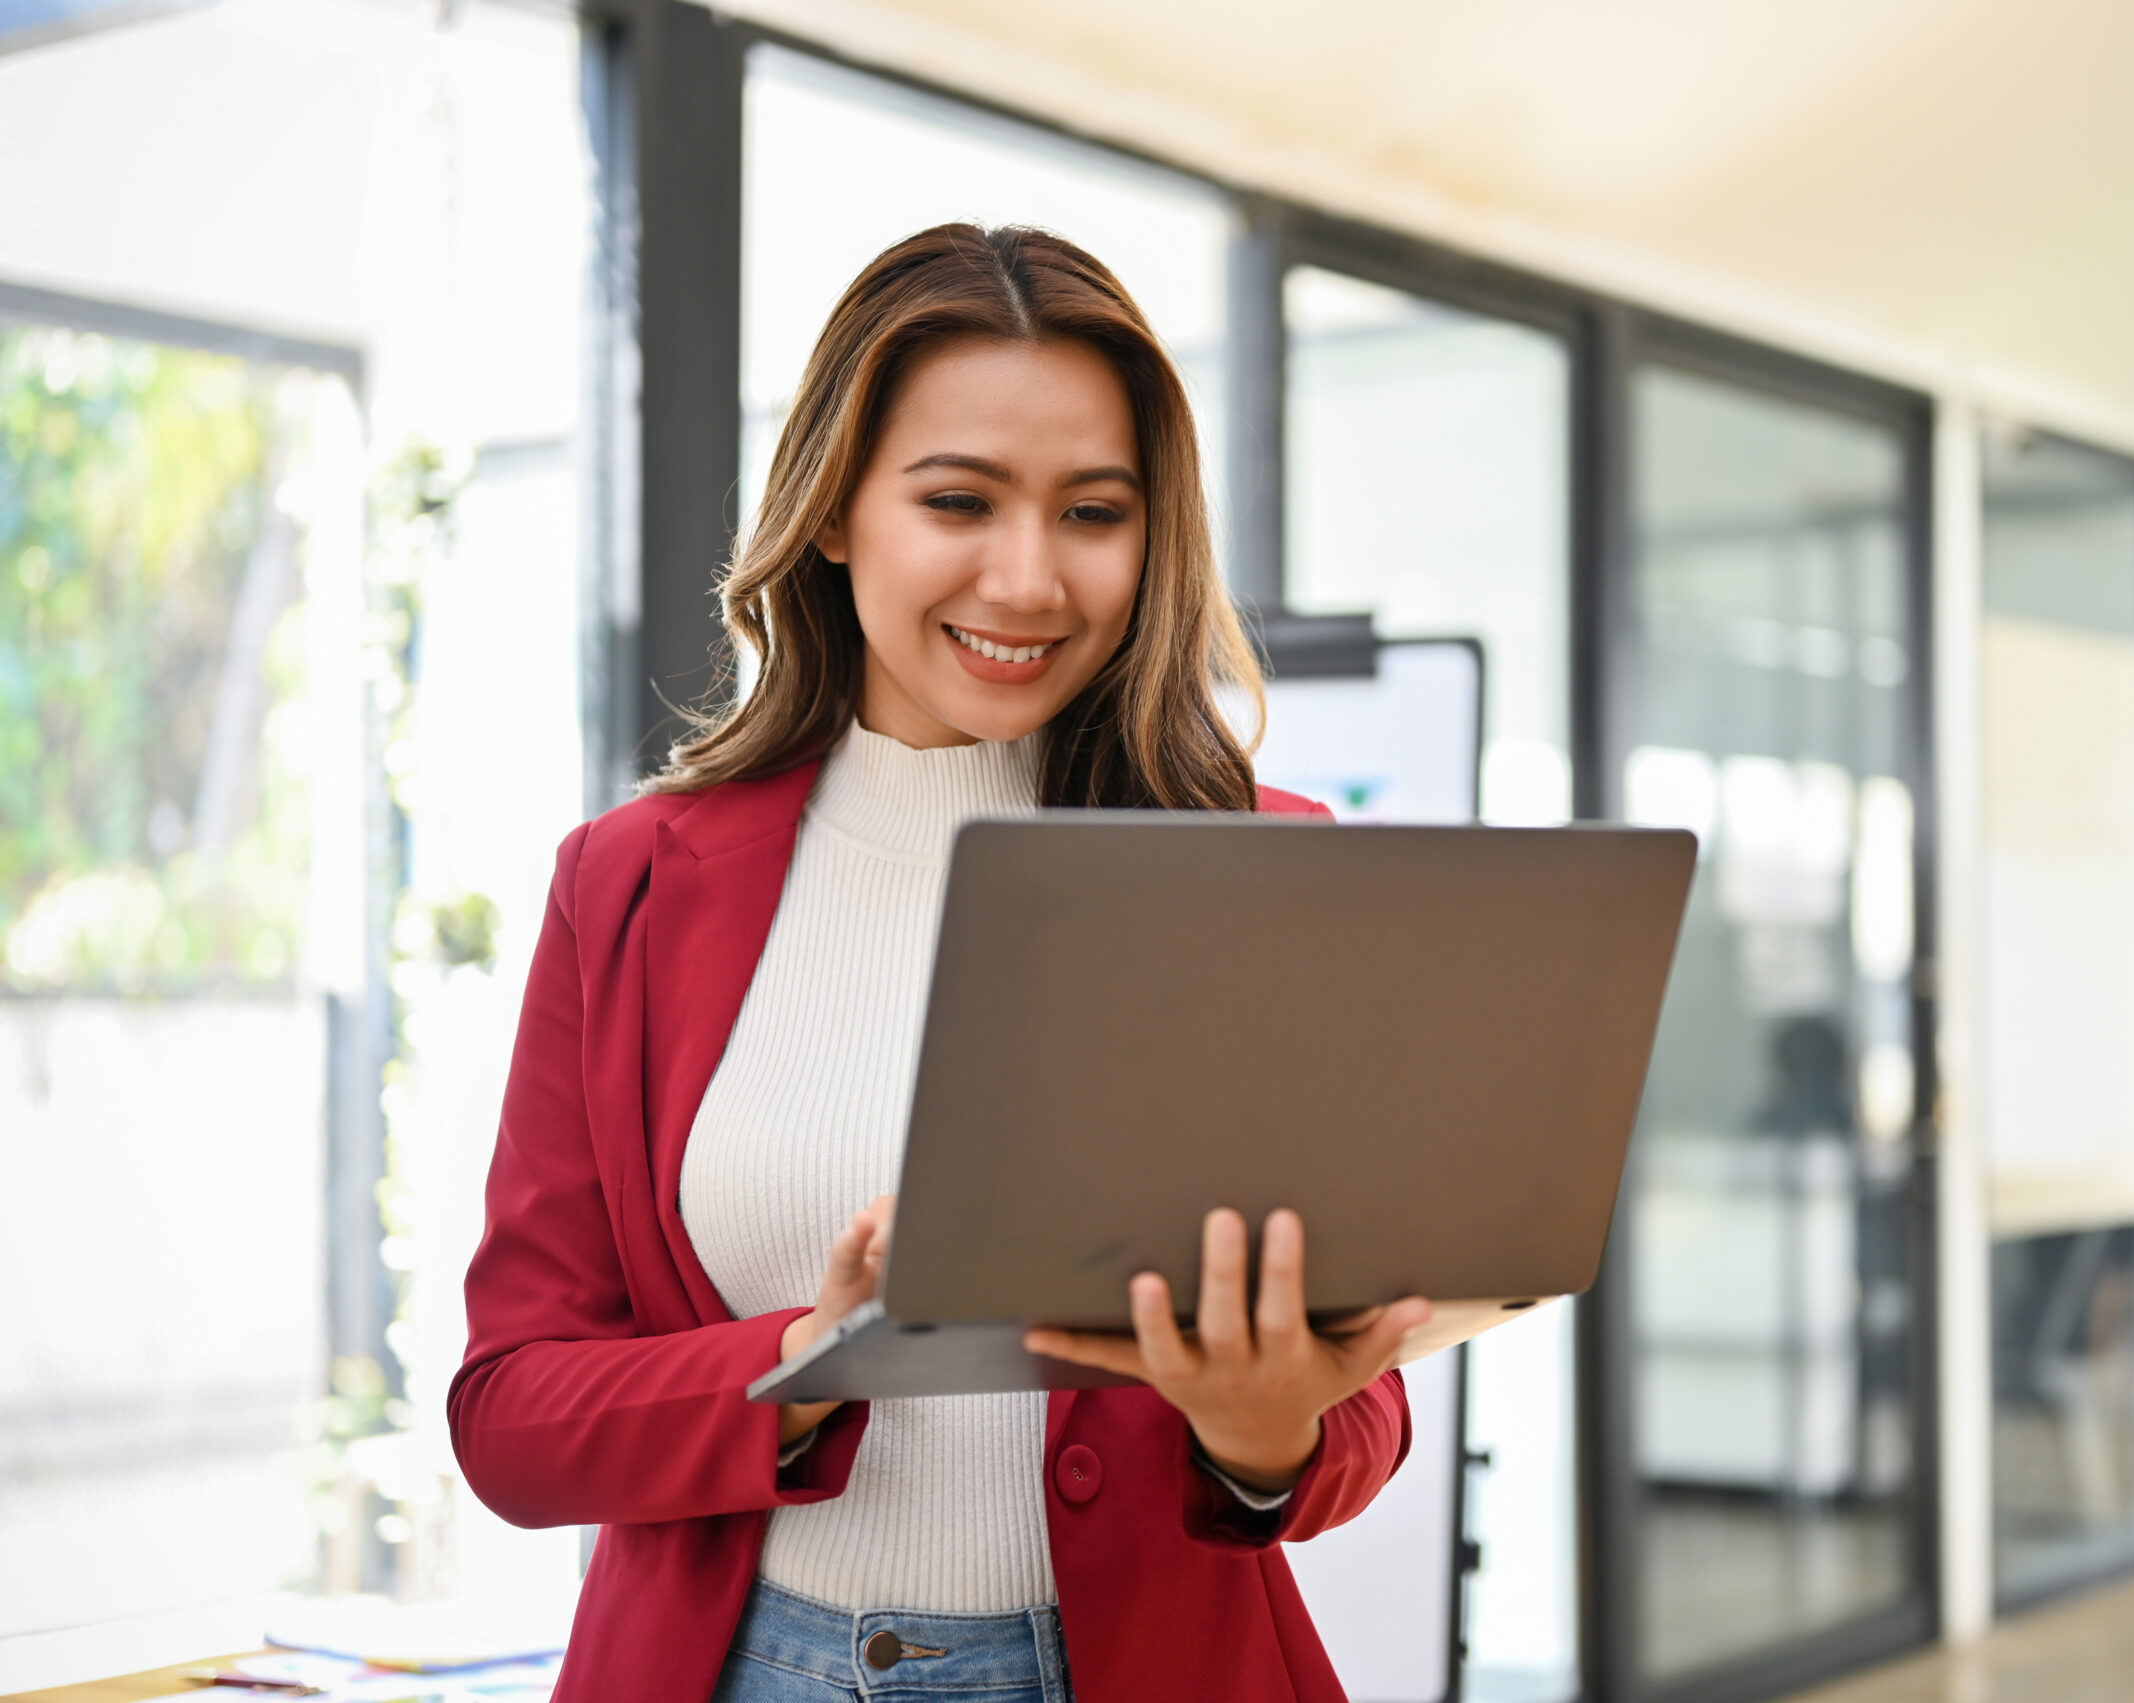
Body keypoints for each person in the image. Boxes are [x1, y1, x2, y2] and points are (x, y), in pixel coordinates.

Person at [448, 224, 1429, 1703]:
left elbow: (1366, 1409)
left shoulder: (1267, 871)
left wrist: (1267, 1429)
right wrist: (810, 1356)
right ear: (837, 509)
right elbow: (512, 1417)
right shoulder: (630, 884)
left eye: (1094, 512)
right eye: (959, 500)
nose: (1028, 579)